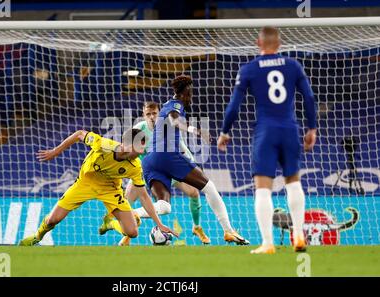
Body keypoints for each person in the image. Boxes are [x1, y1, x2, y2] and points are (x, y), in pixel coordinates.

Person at [217, 26, 317, 254]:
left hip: (265, 132)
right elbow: (309, 97)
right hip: (290, 129)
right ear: (279, 44)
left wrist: (225, 131)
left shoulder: (250, 69)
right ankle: (299, 236)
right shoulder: (292, 65)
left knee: (263, 189)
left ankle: (268, 244)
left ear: (258, 43)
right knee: (293, 182)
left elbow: (234, 106)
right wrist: (312, 127)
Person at [19, 128, 176, 246]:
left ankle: (110, 222)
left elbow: (143, 196)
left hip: (110, 189)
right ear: (126, 144)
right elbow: (79, 134)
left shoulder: (135, 166)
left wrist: (159, 224)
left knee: (132, 232)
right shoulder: (104, 145)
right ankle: (37, 237)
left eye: (143, 147)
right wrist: (55, 151)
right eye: (138, 147)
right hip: (85, 183)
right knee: (53, 220)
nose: (141, 151)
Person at [141, 75, 249, 245]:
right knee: (210, 187)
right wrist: (197, 131)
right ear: (185, 92)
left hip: (151, 160)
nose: (191, 96)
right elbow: (175, 121)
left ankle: (131, 213)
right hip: (167, 155)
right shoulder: (175, 104)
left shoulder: (167, 105)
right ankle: (228, 231)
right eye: (190, 92)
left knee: (164, 206)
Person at [101, 101, 210, 245]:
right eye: (148, 114)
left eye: (154, 114)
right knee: (127, 202)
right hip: (144, 172)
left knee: (194, 193)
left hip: (170, 168)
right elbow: (126, 151)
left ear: (159, 114)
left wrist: (192, 167)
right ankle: (126, 236)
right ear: (143, 115)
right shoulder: (138, 130)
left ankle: (197, 227)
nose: (152, 117)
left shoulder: (168, 128)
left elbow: (182, 148)